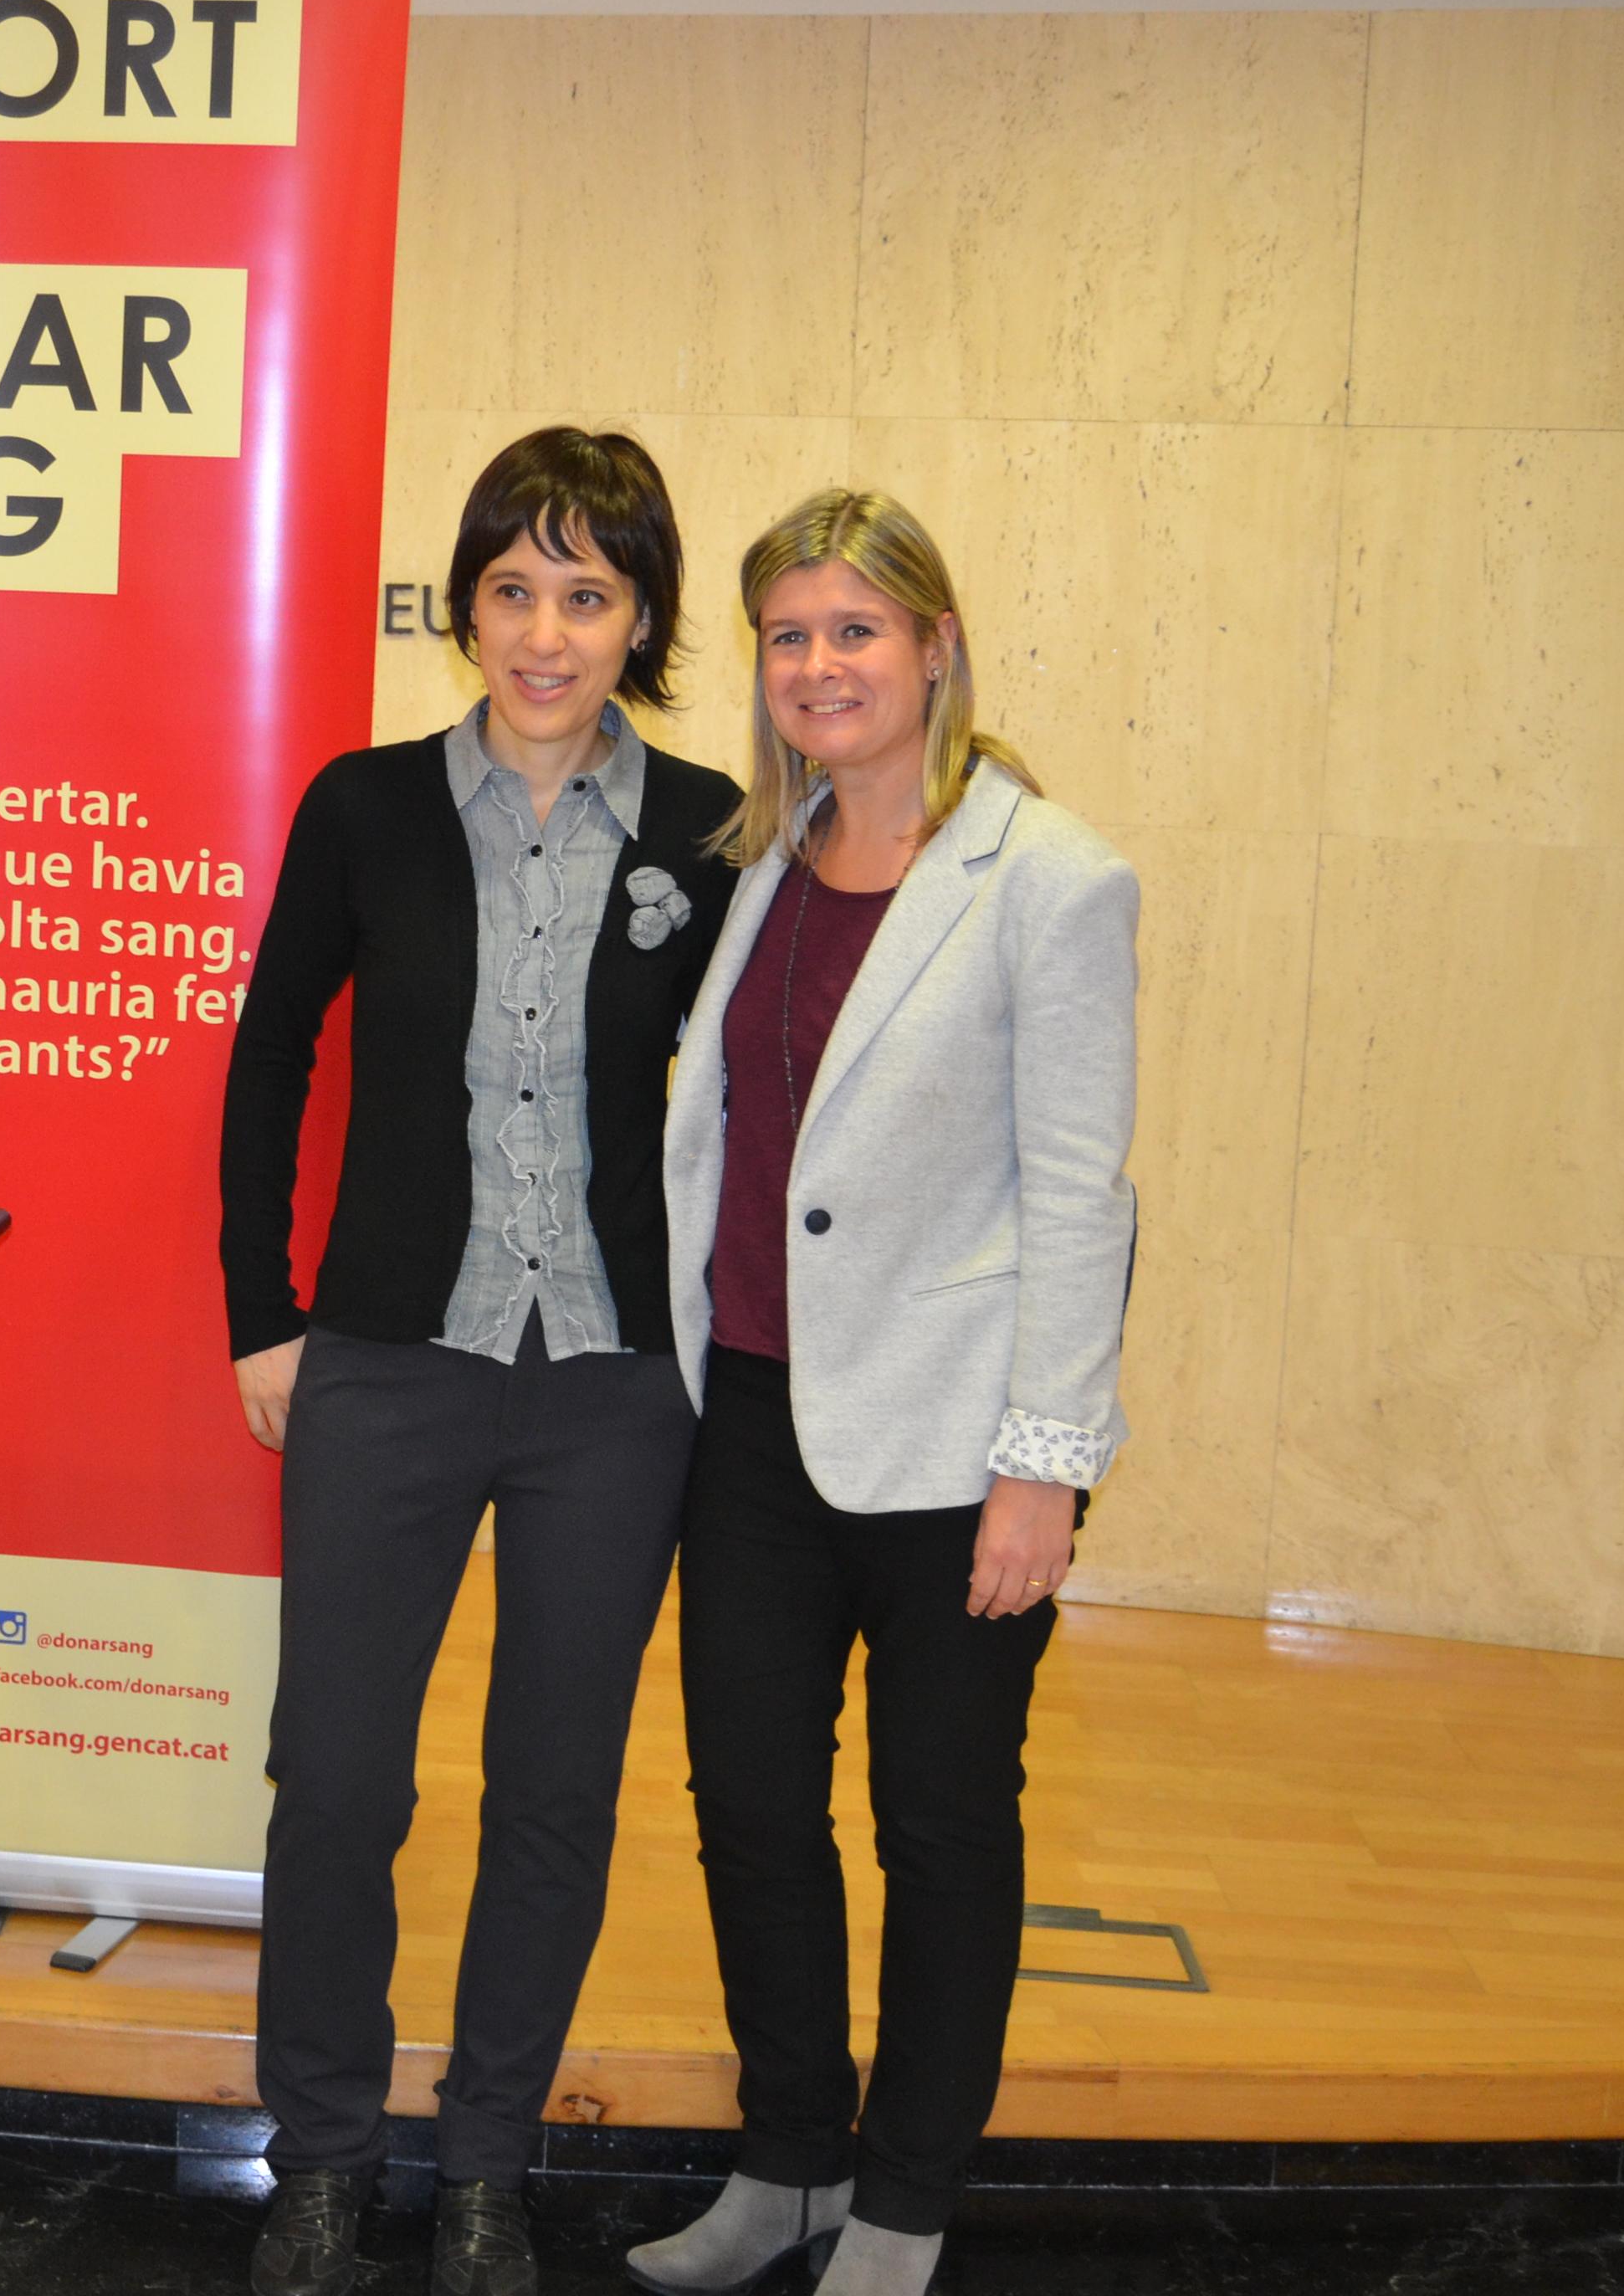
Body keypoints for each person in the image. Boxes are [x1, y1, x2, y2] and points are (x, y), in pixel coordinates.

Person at [219, 428, 744, 2296]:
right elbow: (272, 1054)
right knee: (338, 1781)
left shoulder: (711, 830)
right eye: (514, 590)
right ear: (467, 607)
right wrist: (261, 1311)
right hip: (391, 1363)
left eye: (587, 596)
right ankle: (321, 2163)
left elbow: (757, 1100)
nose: (545, 634)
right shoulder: (364, 807)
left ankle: (489, 2170)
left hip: (613, 1385)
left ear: (640, 621)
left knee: (553, 1792)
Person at [630, 491, 1137, 2296]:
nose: (819, 665)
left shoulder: (1049, 877)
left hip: (955, 1445)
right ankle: (788, 2162)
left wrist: (1044, 1465)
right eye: (789, 635)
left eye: (856, 629)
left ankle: (906, 2199)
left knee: (942, 1825)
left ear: (935, 646)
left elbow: (1081, 1194)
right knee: (753, 1810)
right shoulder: (760, 859)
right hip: (754, 1422)